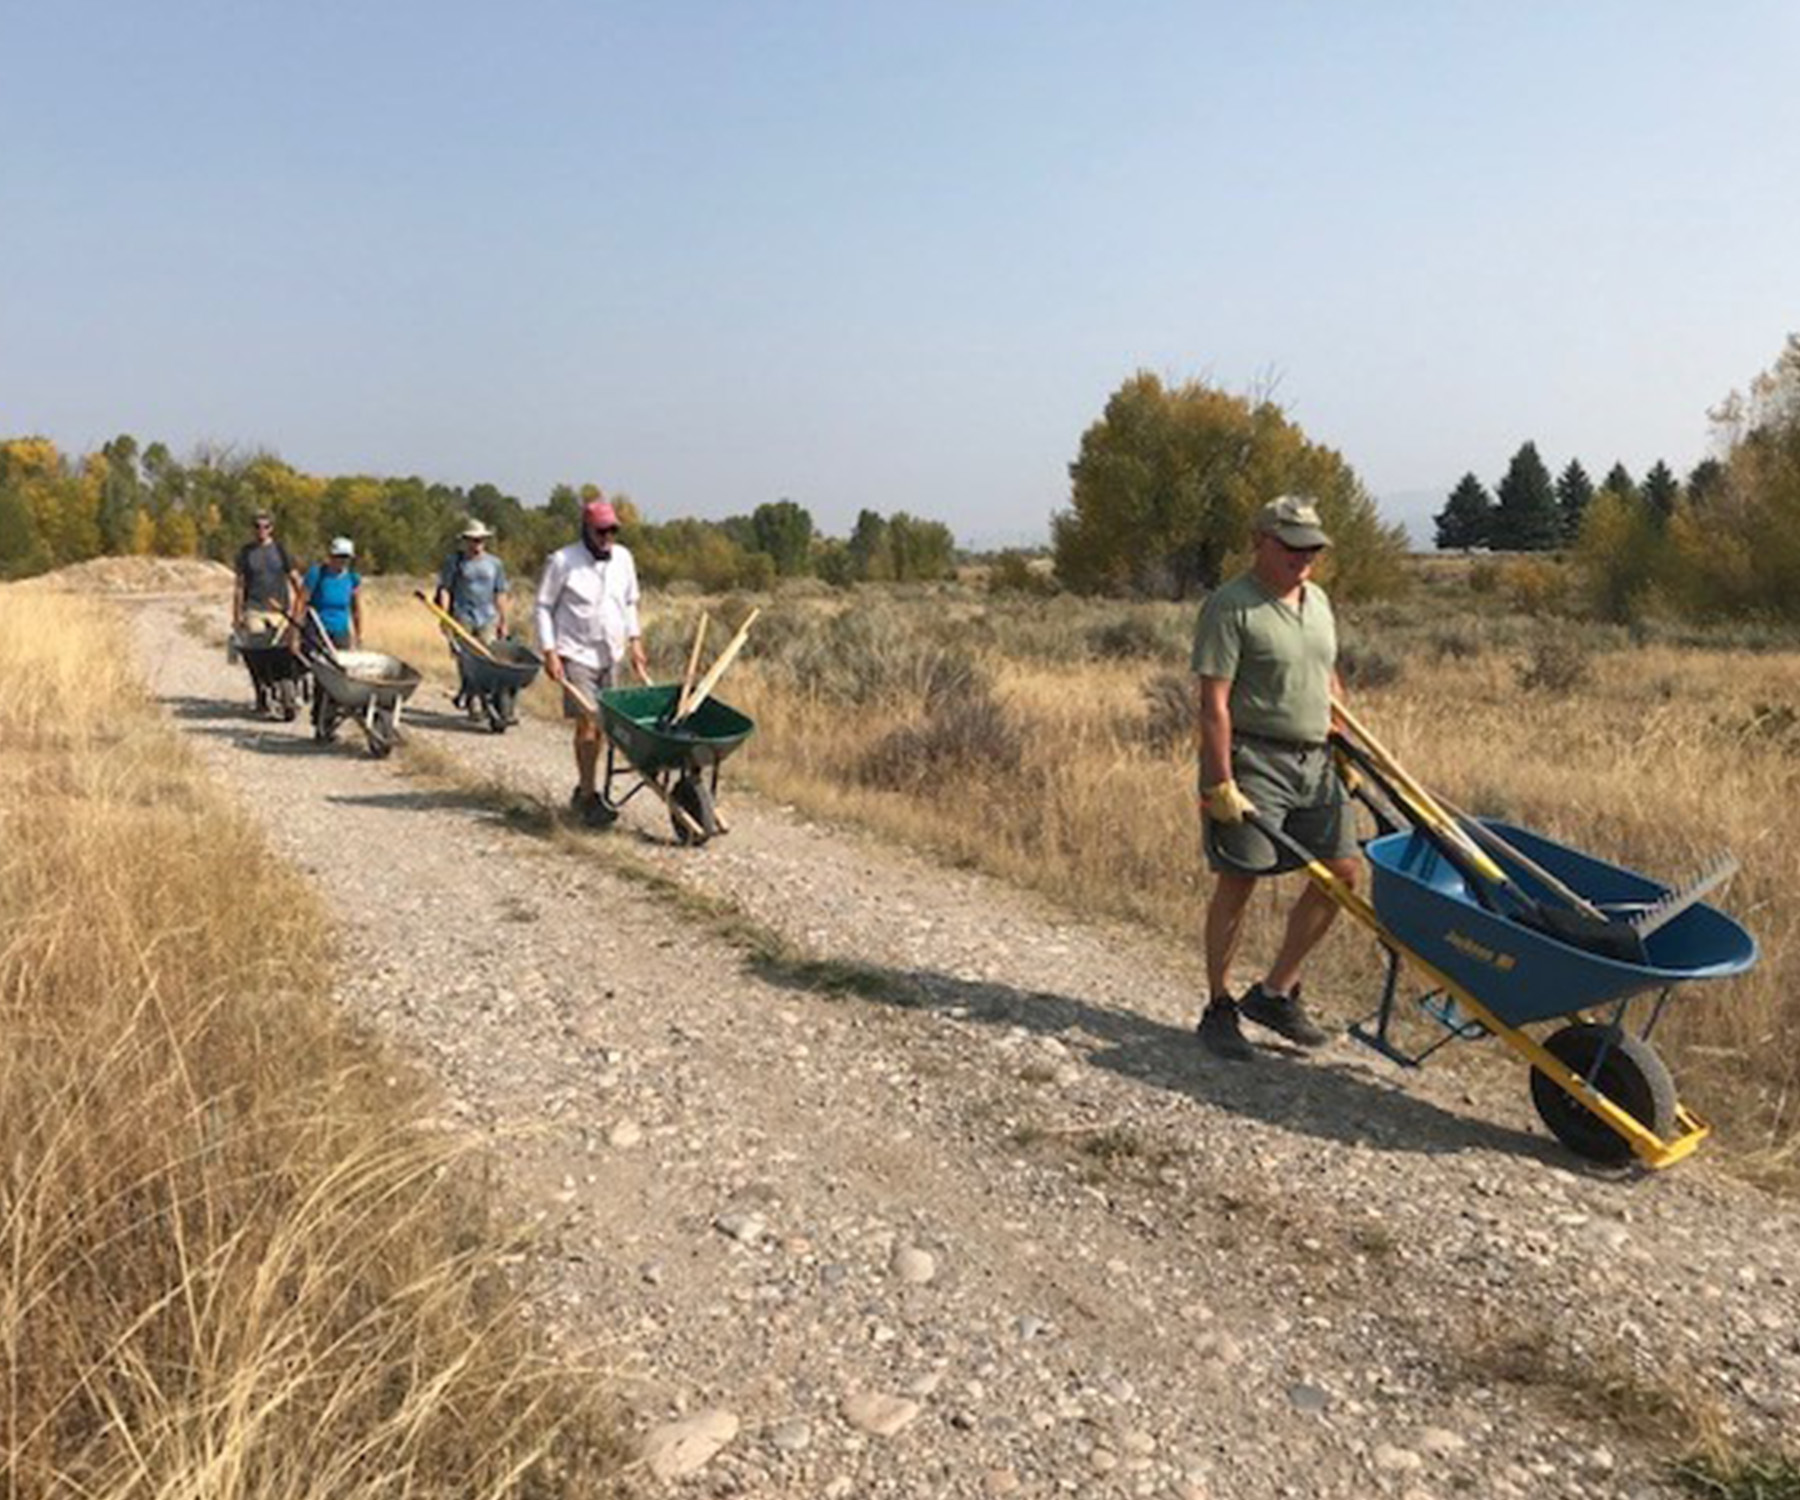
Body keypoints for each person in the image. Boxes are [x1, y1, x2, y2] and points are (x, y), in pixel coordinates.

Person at [1192, 494, 1359, 1061]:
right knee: (1240, 880)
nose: (1304, 554)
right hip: (1253, 759)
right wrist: (1218, 783)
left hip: (1316, 761)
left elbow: (1326, 669)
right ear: (1260, 540)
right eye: (1291, 544)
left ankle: (1274, 993)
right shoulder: (1231, 606)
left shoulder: (1318, 601)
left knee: (1341, 873)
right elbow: (1212, 703)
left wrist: (1343, 730)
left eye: (1312, 545)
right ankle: (1218, 1006)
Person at [534, 497, 649, 827]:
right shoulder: (562, 561)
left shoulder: (623, 559)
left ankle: (588, 788)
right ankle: (587, 794)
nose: (607, 537)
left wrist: (635, 641)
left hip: (610, 653)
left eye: (612, 530)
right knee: (588, 723)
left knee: (605, 725)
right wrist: (550, 652)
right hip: (576, 652)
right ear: (586, 529)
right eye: (601, 531)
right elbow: (543, 606)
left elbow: (630, 603)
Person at [434, 517, 511, 716]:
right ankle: (473, 698)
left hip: (487, 617)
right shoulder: (455, 562)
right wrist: (444, 617)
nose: (476, 544)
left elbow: (500, 592)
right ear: (465, 540)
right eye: (472, 540)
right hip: (462, 617)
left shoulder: (495, 564)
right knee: (467, 660)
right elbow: (446, 590)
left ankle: (490, 698)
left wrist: (503, 620)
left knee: (488, 659)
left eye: (480, 540)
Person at [231, 511, 300, 714]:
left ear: (272, 528)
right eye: (257, 526)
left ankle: (287, 688)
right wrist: (236, 616)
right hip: (254, 609)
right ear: (252, 529)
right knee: (256, 652)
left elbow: (295, 578)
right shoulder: (245, 553)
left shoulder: (280, 551)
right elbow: (239, 587)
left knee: (283, 651)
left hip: (280, 611)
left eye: (266, 526)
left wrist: (303, 604)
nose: (261, 530)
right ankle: (261, 692)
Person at [297, 536, 363, 651]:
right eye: (338, 556)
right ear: (331, 556)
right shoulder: (316, 574)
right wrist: (295, 634)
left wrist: (359, 634)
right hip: (316, 632)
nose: (342, 561)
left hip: (340, 633)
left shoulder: (352, 578)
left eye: (345, 557)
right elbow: (301, 603)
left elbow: (356, 609)